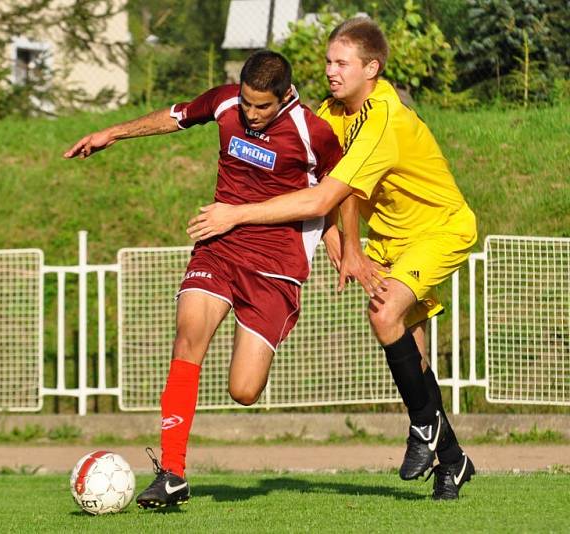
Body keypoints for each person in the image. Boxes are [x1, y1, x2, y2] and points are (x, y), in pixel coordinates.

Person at [186, 17, 477, 500]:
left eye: (342, 63)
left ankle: (424, 429)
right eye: (327, 61)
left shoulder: (383, 116)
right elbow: (329, 190)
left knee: (383, 315)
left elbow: (324, 199)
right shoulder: (331, 113)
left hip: (438, 229)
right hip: (390, 237)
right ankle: (452, 459)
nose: (331, 71)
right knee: (413, 353)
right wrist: (349, 249)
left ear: (372, 68)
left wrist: (236, 215)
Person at [65, 50, 344, 508]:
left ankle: (180, 462)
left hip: (275, 265)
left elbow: (341, 186)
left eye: (262, 107)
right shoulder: (224, 103)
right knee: (188, 335)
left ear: (286, 96)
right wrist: (112, 132)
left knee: (244, 390)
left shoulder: (313, 133)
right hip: (220, 244)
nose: (251, 115)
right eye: (246, 103)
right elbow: (175, 116)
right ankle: (172, 472)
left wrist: (341, 239)